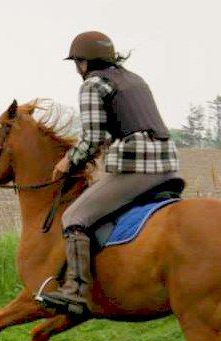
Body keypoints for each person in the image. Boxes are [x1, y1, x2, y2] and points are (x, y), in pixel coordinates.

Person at [37, 31, 182, 315]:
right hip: (168, 165)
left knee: (74, 217)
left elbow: (92, 138)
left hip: (136, 166)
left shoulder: (93, 84)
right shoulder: (134, 80)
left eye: (77, 63)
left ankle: (75, 292)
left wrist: (69, 160)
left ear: (83, 62)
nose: (77, 69)